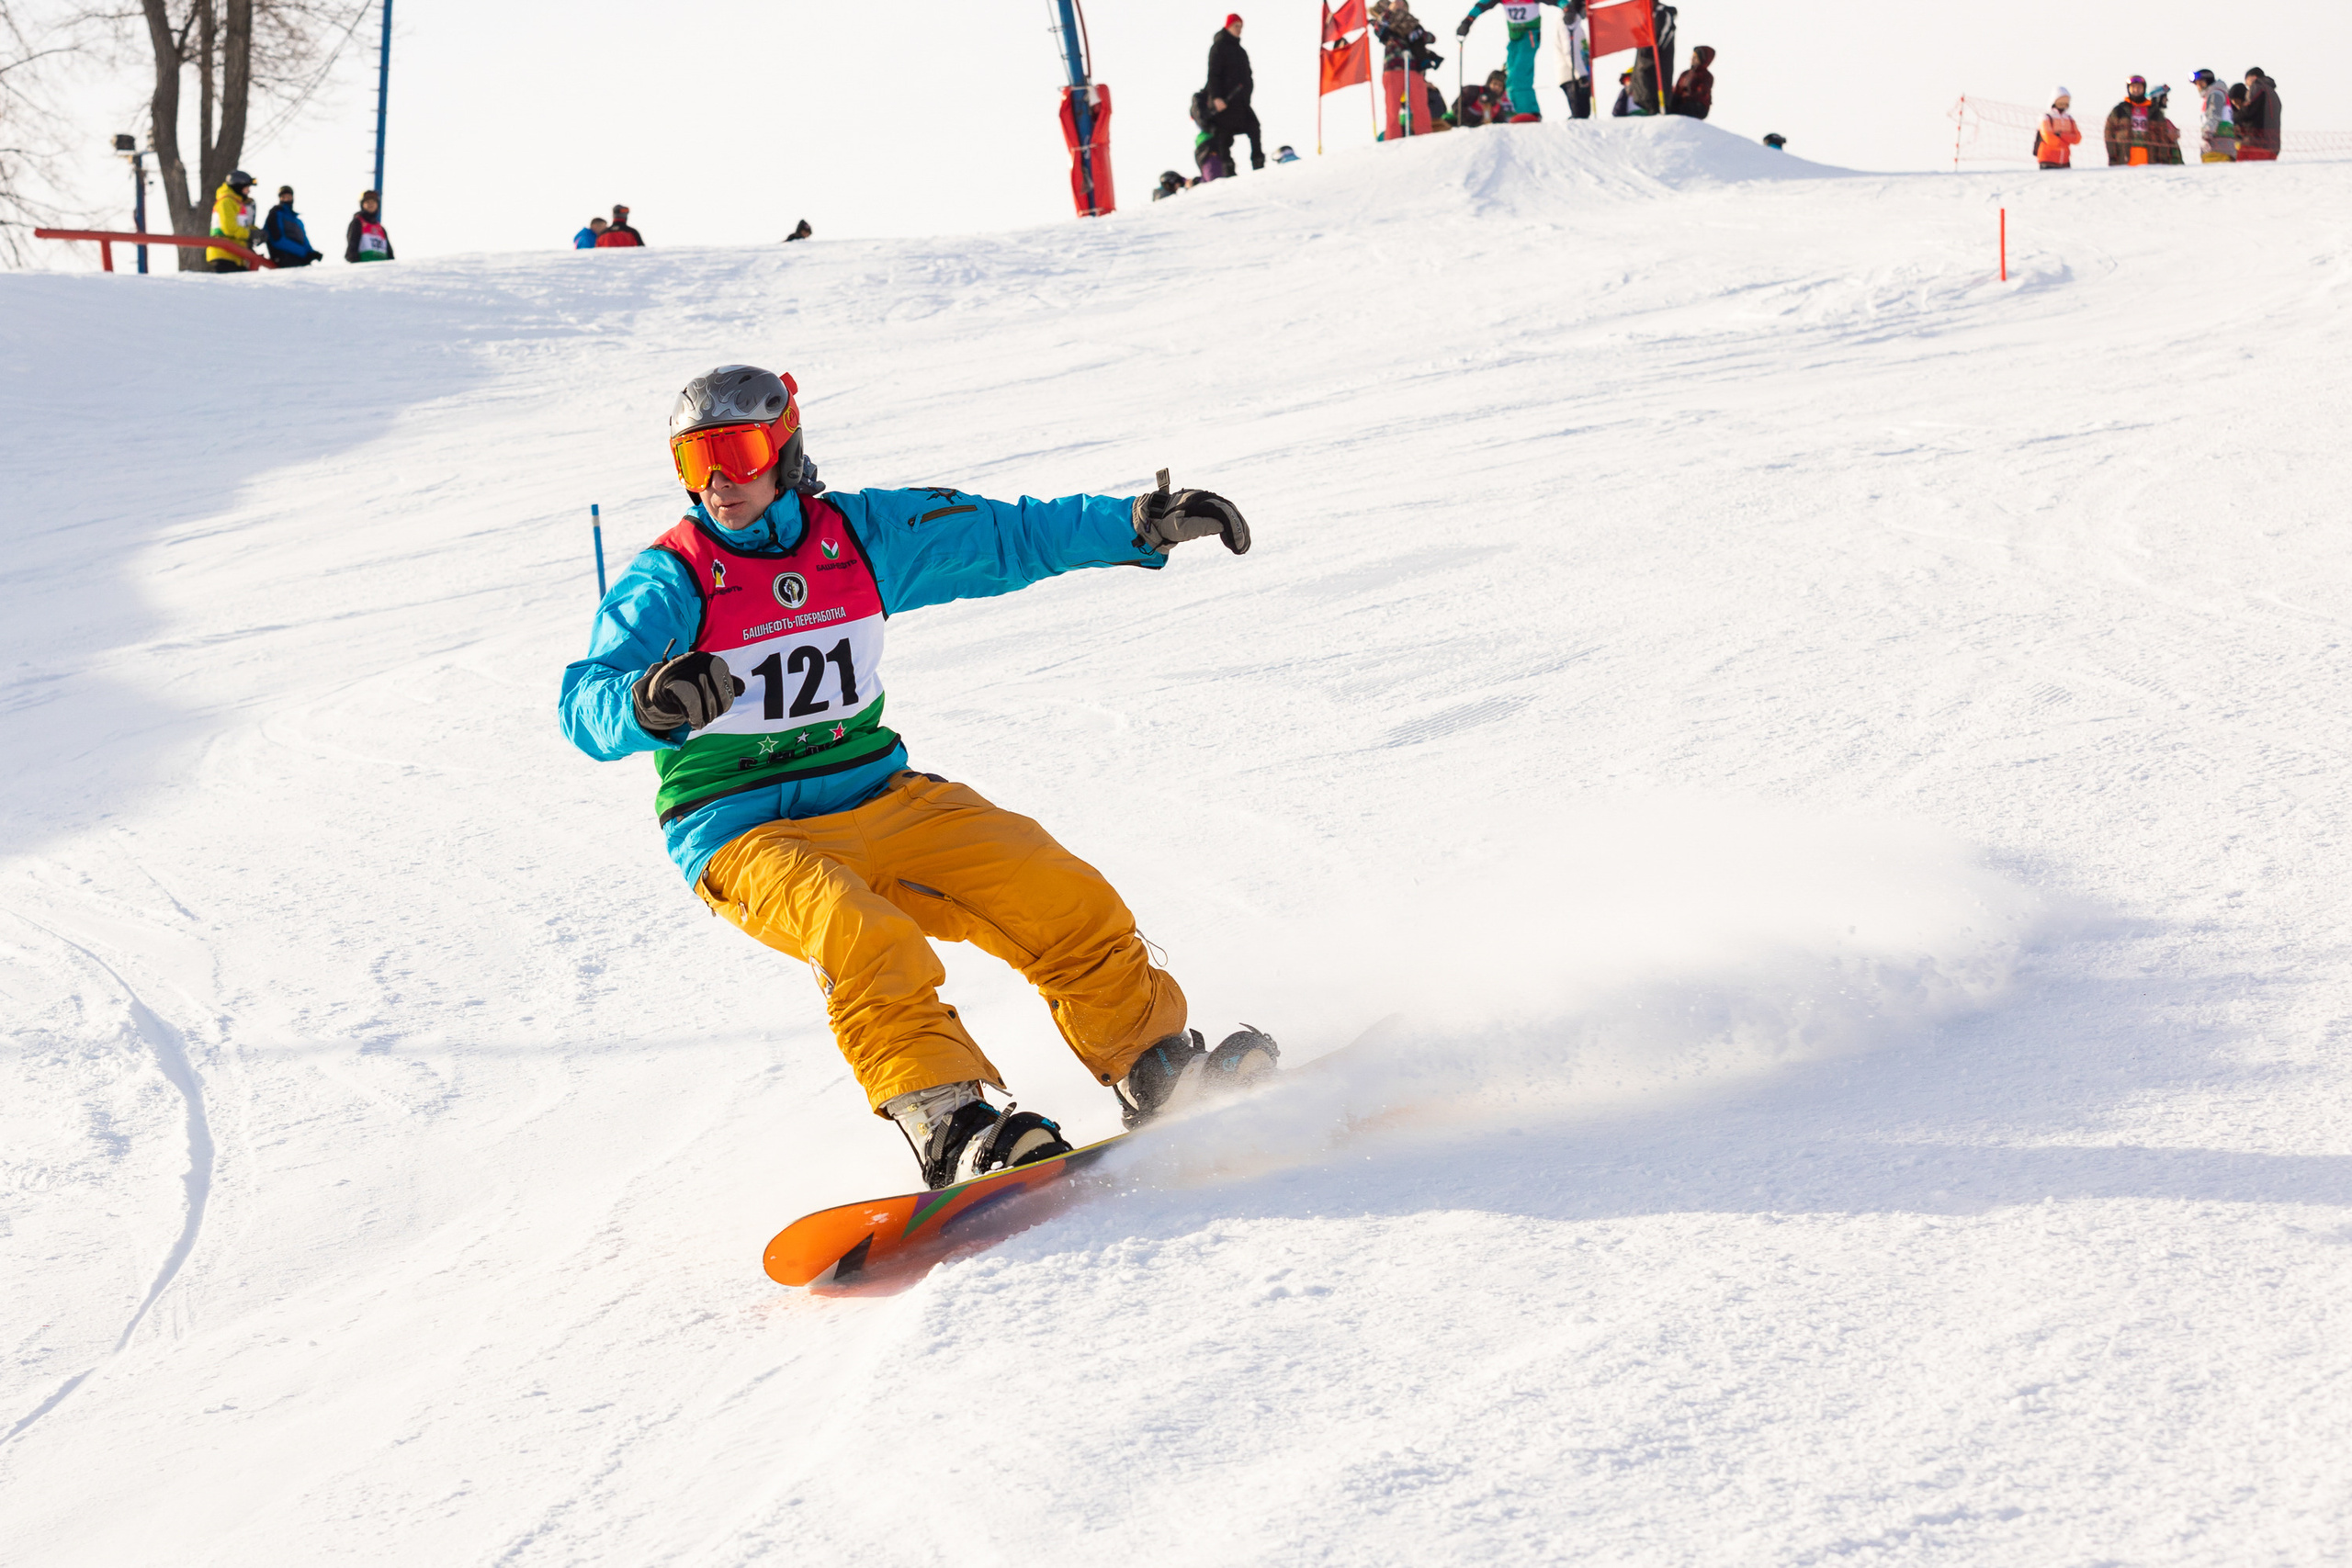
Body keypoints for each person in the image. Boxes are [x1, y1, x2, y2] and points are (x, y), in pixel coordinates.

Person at [557, 365, 1274, 1190]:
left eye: (739, 450)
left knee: (1047, 883)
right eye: (695, 463)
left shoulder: (859, 537)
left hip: (875, 788)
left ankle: (1158, 1069)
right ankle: (950, 1121)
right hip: (740, 826)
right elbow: (586, 700)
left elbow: (1007, 538)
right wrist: (648, 703)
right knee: (861, 933)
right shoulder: (673, 577)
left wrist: (1138, 524)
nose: (718, 481)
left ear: (785, 448)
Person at [1457, 0, 1563, 120]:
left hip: (1529, 36)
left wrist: (1568, 9)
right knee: (1509, 81)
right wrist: (1468, 21)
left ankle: (1529, 112)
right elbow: (1482, 5)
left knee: (1517, 77)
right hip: (1514, 40)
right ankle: (1527, 112)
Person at [1371, 2, 1442, 140]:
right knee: (1392, 107)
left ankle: (1425, 137)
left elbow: (1430, 38)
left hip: (1414, 68)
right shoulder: (1385, 22)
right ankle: (1392, 139)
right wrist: (1389, 12)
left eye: (1403, 5)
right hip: (1393, 67)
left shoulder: (1414, 25)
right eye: (1397, 4)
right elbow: (1378, 30)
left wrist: (1414, 31)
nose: (1400, 6)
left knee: (1420, 105)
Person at [1204, 14, 1265, 173]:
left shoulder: (1240, 51)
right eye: (1236, 26)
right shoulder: (1218, 47)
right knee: (1224, 137)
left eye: (1241, 27)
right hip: (1225, 102)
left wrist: (1247, 96)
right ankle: (1228, 170)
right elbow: (1213, 74)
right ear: (1228, 26)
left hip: (1241, 102)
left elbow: (1248, 76)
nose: (1239, 30)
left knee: (1254, 127)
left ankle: (1259, 164)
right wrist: (1216, 98)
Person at [1627, 1, 1676, 114]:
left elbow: (1660, 41)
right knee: (1647, 102)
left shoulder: (1663, 13)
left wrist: (1648, 52)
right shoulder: (1646, 16)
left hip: (1657, 72)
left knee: (1656, 105)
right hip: (1643, 73)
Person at [207, 169, 257, 273]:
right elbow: (229, 228)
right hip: (224, 255)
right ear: (238, 186)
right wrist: (250, 234)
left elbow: (242, 225)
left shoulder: (237, 203)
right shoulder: (226, 202)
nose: (249, 191)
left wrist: (257, 232)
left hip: (235, 254)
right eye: (246, 187)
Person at [257, 186, 320, 267]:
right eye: (283, 197)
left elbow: (303, 239)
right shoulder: (275, 213)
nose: (286, 199)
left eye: (289, 197)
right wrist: (304, 253)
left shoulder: (296, 220)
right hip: (283, 259)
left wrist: (312, 253)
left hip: (299, 259)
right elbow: (277, 240)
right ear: (280, 198)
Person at [1555, 0, 1592, 118]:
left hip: (1578, 74)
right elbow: (1570, 51)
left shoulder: (1576, 22)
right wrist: (1581, 75)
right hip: (1573, 76)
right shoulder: (1569, 21)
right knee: (1580, 114)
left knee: (1583, 114)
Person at [2105, 76, 2154, 165]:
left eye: (2139, 87)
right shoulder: (2120, 110)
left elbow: (2162, 135)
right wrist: (2113, 156)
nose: (2136, 90)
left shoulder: (2153, 110)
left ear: (2144, 89)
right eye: (2133, 87)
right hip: (2124, 157)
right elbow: (2109, 133)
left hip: (2150, 158)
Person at [2236, 68, 2280, 161]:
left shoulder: (2257, 87)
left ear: (2254, 77)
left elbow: (2248, 111)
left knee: (2241, 171)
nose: (2246, 84)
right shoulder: (2273, 94)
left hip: (2256, 143)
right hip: (2273, 145)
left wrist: (2234, 118)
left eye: (2247, 80)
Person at [2191, 70, 2233, 162]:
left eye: (2200, 83)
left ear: (2208, 81)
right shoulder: (2214, 94)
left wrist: (2206, 134)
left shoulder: (2215, 94)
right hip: (2223, 146)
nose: (2198, 87)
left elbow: (2213, 116)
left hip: (2217, 146)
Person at [2035, 89, 2081, 169]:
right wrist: (2066, 140)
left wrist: (2061, 135)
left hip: (2065, 161)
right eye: (2061, 101)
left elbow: (2077, 138)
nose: (2063, 104)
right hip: (2047, 161)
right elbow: (2049, 138)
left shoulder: (2069, 119)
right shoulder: (2046, 117)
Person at [345, 190, 392, 263]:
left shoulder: (381, 228)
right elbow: (352, 248)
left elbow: (389, 253)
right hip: (365, 268)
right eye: (367, 202)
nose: (371, 204)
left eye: (373, 202)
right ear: (362, 205)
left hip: (382, 269)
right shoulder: (358, 222)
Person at [1668, 42, 1713, 118]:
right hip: (1682, 103)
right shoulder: (1685, 74)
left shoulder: (1706, 76)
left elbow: (1701, 92)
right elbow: (1677, 90)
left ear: (1702, 59)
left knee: (1685, 107)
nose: (1692, 59)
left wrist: (1685, 97)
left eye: (1695, 57)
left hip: (1696, 106)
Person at [2146, 85, 2184, 164]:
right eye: (2164, 97)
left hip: (2172, 162)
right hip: (2160, 164)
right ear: (2157, 99)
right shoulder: (2150, 120)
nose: (2167, 100)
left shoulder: (2165, 121)